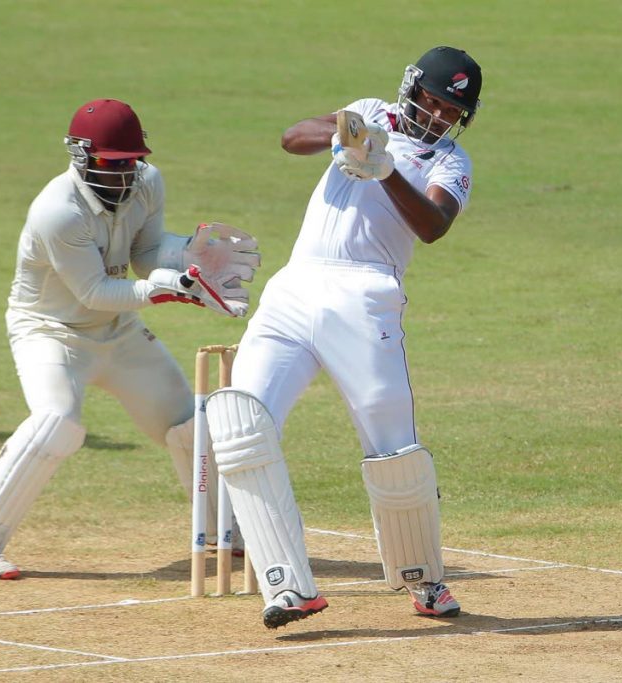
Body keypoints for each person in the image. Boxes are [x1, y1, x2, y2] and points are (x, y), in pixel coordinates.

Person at [204, 46, 482, 628]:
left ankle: (424, 580)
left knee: (392, 445)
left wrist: (386, 172)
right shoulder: (368, 111)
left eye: (450, 110)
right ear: (411, 89)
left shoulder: (452, 162)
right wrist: (342, 137)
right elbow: (290, 137)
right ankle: (286, 586)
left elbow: (433, 226)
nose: (436, 115)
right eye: (431, 100)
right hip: (296, 284)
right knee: (240, 424)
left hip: (365, 296)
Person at [0, 98, 260, 579]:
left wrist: (186, 256)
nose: (123, 173)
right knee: (57, 423)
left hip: (118, 333)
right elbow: (94, 291)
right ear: (81, 156)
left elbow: (145, 253)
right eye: (111, 163)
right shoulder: (57, 211)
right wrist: (166, 290)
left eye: (131, 162)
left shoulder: (147, 184)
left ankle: (224, 532)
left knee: (188, 424)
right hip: (51, 332)